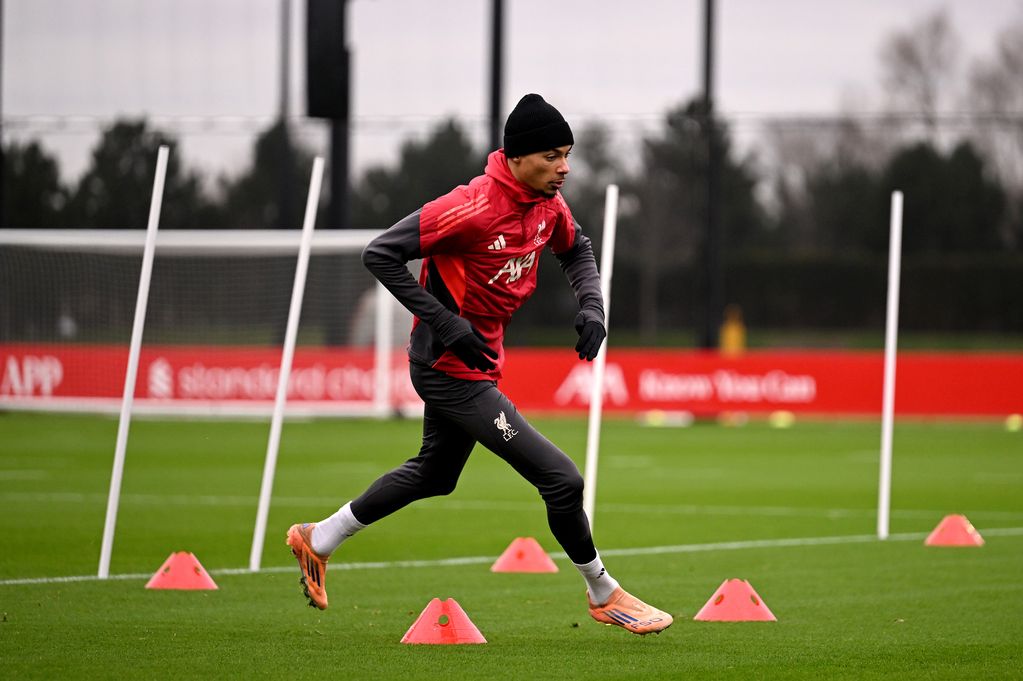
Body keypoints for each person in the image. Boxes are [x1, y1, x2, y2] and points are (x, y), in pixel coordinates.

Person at [287, 93, 672, 635]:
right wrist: (447, 324)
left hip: (480, 364)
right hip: (447, 369)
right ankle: (603, 592)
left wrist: (592, 306)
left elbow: (577, 249)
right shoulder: (469, 207)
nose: (564, 168)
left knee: (436, 474)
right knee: (561, 480)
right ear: (516, 157)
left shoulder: (547, 204)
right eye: (552, 156)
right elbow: (381, 254)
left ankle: (318, 538)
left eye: (568, 155)